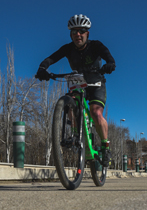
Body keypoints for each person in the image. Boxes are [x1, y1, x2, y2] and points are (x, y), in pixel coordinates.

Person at [35, 14, 116, 167]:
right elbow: (51, 58)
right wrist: (42, 68)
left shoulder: (96, 45)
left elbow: (108, 57)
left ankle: (105, 147)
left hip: (95, 82)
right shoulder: (67, 48)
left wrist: (110, 64)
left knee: (95, 113)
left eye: (81, 31)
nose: (78, 34)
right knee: (70, 103)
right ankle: (75, 135)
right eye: (74, 32)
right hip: (78, 82)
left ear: (87, 33)